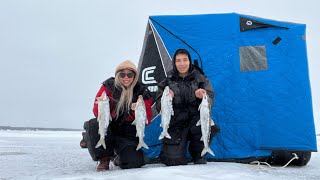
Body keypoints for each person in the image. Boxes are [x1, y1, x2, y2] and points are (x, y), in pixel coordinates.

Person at [84, 60, 153, 171]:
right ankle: (104, 158)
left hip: (127, 132)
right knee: (94, 123)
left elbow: (147, 119)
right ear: (117, 75)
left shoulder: (142, 90)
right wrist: (104, 104)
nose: (126, 77)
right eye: (122, 74)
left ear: (134, 76)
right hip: (110, 128)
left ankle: (117, 157)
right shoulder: (108, 86)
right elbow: (97, 112)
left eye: (130, 74)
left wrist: (137, 110)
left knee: (135, 162)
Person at [155, 49, 220, 166]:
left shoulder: (200, 78)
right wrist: (167, 99)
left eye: (185, 60)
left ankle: (198, 153)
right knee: (173, 161)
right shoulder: (167, 81)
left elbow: (210, 98)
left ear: (189, 61)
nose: (182, 64)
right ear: (174, 63)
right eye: (178, 60)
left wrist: (203, 95)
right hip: (177, 124)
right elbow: (159, 106)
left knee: (209, 126)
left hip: (196, 121)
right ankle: (170, 151)